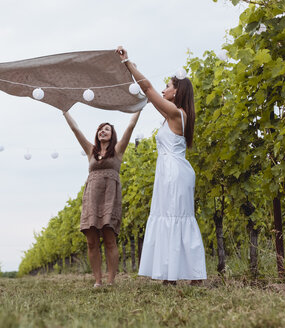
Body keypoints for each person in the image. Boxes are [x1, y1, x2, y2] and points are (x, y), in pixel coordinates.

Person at [116, 46, 206, 285]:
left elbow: (147, 89)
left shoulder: (178, 114)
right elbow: (149, 92)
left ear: (178, 92)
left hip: (174, 173)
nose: (164, 89)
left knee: (176, 217)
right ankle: (170, 275)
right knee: (168, 217)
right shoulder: (171, 117)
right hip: (167, 172)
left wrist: (128, 63)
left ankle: (194, 277)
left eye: (168, 86)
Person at [63, 109, 141, 287]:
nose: (102, 131)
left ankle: (111, 280)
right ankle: (97, 280)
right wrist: (65, 111)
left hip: (110, 197)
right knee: (91, 241)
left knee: (109, 239)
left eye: (107, 129)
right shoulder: (91, 151)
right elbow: (76, 130)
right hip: (92, 197)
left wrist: (138, 107)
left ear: (112, 134)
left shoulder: (118, 150)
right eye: (100, 129)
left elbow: (131, 126)